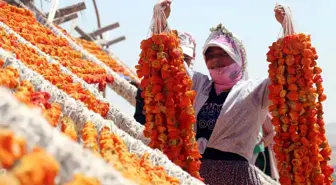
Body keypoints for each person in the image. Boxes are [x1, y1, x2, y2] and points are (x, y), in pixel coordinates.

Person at [136, 1, 288, 184]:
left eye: (222, 54)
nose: (215, 60)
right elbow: (171, 61)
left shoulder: (255, 91)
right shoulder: (200, 85)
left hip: (237, 177)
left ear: (236, 57)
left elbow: (286, 77)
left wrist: (287, 28)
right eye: (210, 55)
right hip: (197, 175)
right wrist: (161, 21)